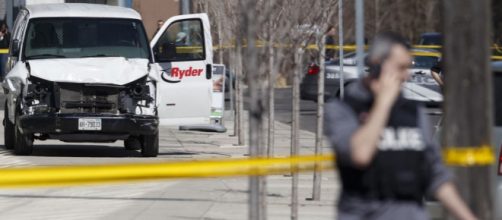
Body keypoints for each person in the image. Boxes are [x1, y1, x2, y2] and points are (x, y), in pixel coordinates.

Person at [325, 32, 476, 220]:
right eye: (401, 67)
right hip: (365, 212)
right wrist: (383, 104)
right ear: (377, 64)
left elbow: (435, 174)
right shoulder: (344, 108)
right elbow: (360, 154)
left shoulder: (413, 111)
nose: (406, 76)